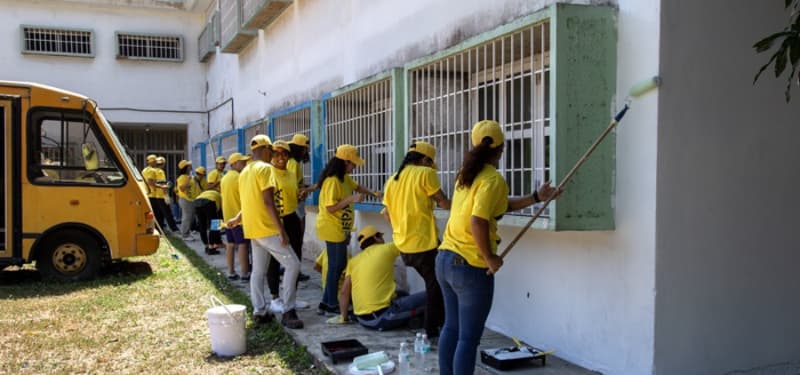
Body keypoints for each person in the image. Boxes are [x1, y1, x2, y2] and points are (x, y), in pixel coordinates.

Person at [435, 120, 562, 375]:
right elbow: (478, 221)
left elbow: (500, 206)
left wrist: (536, 197)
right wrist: (490, 257)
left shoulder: (467, 175)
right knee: (468, 339)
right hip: (469, 267)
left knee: (452, 328)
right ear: (500, 148)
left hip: (445, 260)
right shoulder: (492, 179)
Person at [227, 135, 303, 329]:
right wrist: (281, 231)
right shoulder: (266, 169)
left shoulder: (244, 172)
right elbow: (268, 202)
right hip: (267, 229)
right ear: (267, 149)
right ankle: (288, 310)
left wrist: (238, 218)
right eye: (272, 151)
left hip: (252, 230)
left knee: (258, 271)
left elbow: (251, 200)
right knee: (293, 264)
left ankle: (260, 311)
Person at [382, 141, 450, 338]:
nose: (431, 167)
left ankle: (436, 325)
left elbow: (386, 214)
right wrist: (468, 205)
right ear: (425, 159)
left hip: (403, 245)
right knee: (437, 285)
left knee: (436, 283)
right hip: (423, 243)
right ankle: (432, 330)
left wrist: (400, 229)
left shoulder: (392, 180)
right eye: (430, 163)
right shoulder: (425, 174)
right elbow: (444, 202)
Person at [314, 144, 382, 315]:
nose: (355, 167)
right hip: (331, 228)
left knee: (339, 265)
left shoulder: (344, 178)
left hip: (341, 227)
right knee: (337, 265)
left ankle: (325, 302)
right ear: (344, 162)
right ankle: (330, 304)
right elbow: (330, 207)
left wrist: (373, 193)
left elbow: (358, 187)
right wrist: (351, 198)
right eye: (353, 164)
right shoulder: (332, 181)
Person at [331, 225, 425, 331]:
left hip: (362, 320)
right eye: (381, 236)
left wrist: (344, 318)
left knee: (402, 294)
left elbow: (344, 292)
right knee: (432, 294)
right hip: (381, 318)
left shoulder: (354, 261)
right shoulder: (386, 249)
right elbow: (408, 241)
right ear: (376, 237)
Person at [265, 140, 308, 312]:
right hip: (276, 219)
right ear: (271, 156)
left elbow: (292, 197)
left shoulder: (290, 174)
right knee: (274, 260)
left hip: (291, 218)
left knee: (296, 257)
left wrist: (301, 195)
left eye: (284, 154)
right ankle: (275, 297)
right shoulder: (268, 173)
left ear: (289, 156)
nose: (280, 157)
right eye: (276, 153)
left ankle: (291, 296)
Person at [220, 152, 250, 281]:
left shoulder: (224, 178)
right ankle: (245, 273)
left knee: (230, 244)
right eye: (242, 162)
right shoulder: (240, 177)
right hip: (239, 218)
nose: (244, 164)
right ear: (234, 164)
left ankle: (231, 271)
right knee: (242, 245)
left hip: (227, 217)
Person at [288, 133, 311, 282]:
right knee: (297, 239)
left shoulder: (294, 164)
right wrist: (304, 190)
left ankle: (295, 268)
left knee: (296, 239)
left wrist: (305, 187)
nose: (305, 152)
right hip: (296, 205)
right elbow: (291, 188)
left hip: (298, 204)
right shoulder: (293, 164)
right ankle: (295, 270)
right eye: (303, 149)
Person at [143, 154, 178, 233]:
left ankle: (159, 229)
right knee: (166, 212)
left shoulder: (145, 170)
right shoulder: (155, 171)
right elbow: (155, 182)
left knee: (158, 214)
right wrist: (163, 187)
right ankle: (173, 228)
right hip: (159, 195)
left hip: (151, 194)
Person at [194, 189, 222, 255]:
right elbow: (219, 216)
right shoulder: (220, 196)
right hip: (209, 202)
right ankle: (211, 248)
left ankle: (206, 246)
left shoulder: (208, 193)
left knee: (202, 225)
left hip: (197, 202)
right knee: (215, 223)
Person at [176, 159, 196, 240]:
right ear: (186, 168)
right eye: (189, 165)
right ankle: (185, 235)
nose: (191, 166)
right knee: (186, 217)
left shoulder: (187, 177)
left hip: (190, 199)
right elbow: (182, 188)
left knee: (190, 217)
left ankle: (187, 232)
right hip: (185, 199)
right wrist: (188, 180)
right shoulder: (182, 177)